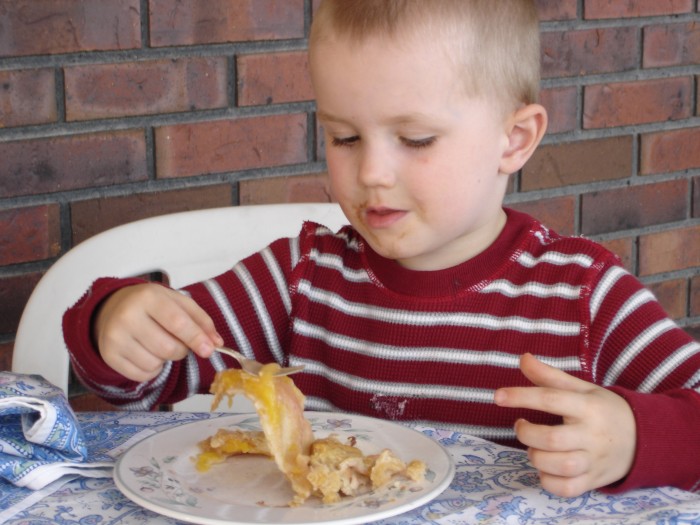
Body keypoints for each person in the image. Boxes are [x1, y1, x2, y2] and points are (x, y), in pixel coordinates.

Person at [63, 0, 700, 499]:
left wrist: (633, 439)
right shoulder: (303, 279)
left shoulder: (581, 296)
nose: (371, 173)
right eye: (343, 138)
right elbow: (151, 381)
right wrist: (115, 324)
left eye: (416, 139)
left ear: (514, 139)